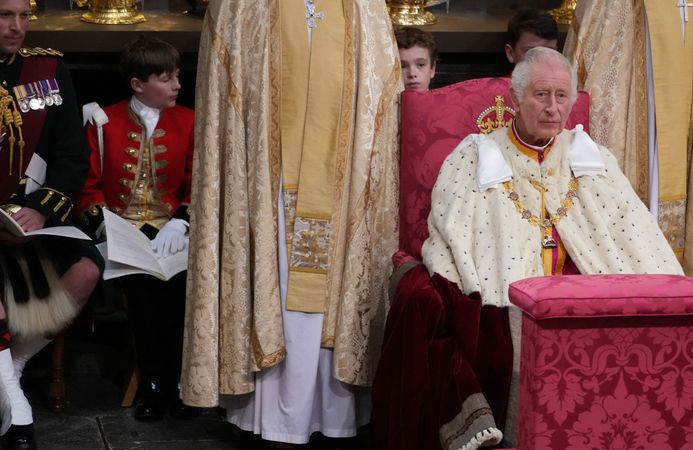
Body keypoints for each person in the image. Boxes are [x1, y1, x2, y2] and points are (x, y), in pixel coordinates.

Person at [372, 47, 693, 449]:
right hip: (511, 301)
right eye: (541, 95)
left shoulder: (593, 159)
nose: (553, 108)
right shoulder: (474, 156)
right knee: (493, 345)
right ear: (517, 99)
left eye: (561, 96)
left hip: (586, 297)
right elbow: (451, 239)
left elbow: (630, 234)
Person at [182, 1, 401, 447]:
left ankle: (334, 415)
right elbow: (228, 98)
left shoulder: (364, 6)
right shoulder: (240, 6)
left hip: (342, 180)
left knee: (330, 299)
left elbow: (381, 89)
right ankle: (266, 417)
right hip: (266, 182)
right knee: (272, 289)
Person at [77, 35, 195, 422]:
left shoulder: (191, 121)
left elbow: (199, 182)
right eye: (166, 78)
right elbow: (90, 186)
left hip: (172, 229)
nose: (177, 85)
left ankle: (178, 385)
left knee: (178, 294)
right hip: (123, 230)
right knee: (143, 296)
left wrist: (181, 219)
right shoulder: (103, 122)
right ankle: (153, 385)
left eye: (177, 76)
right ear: (137, 84)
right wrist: (106, 226)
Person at [0, 0, 102, 448]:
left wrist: (41, 209)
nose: (16, 27)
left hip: (31, 217)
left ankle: (12, 366)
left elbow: (70, 157)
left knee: (87, 269)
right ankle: (14, 408)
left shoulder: (47, 70)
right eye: (5, 15)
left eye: (24, 16)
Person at [396, 26, 437, 91]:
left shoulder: (446, 100)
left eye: (421, 65)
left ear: (432, 69)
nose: (412, 74)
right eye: (402, 66)